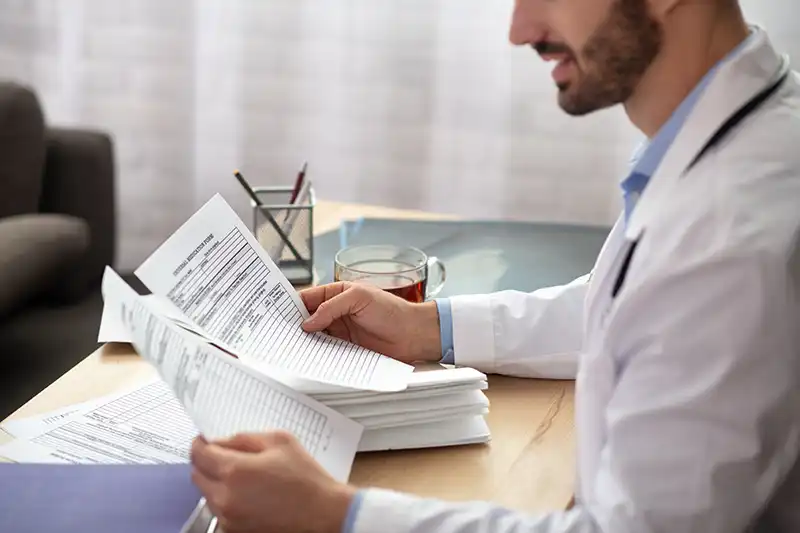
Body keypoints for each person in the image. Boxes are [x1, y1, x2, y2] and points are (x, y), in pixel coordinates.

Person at [189, 0, 800, 531]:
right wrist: (428, 327)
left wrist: (338, 516)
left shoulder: (730, 233)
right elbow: (647, 314)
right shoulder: (739, 139)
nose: (519, 30)